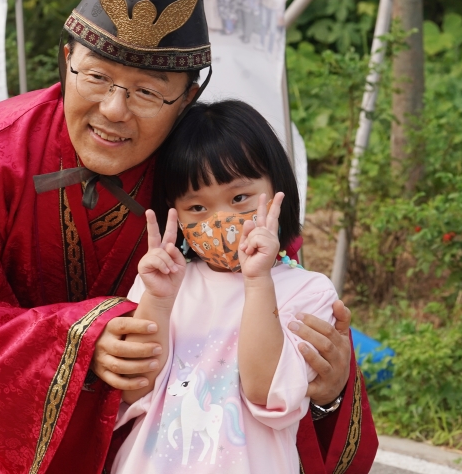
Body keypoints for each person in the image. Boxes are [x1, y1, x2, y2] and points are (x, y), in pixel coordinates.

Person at [0, 0, 374, 474]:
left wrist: (329, 389)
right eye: (96, 77)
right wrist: (78, 341)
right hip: (5, 432)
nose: (115, 110)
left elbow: (276, 288)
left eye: (149, 91)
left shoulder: (207, 173)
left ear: (189, 96)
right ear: (66, 58)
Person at [110, 100, 343, 473]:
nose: (222, 220)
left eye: (239, 198)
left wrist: (257, 280)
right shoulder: (161, 283)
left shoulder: (309, 291)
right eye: (198, 208)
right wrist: (156, 298)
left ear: (278, 187)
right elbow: (133, 389)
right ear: (175, 212)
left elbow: (264, 391)